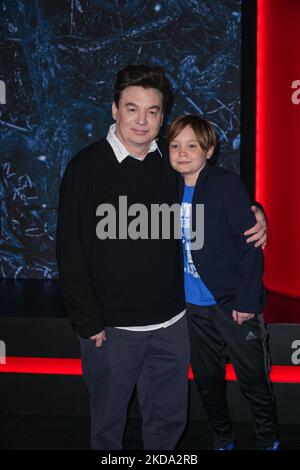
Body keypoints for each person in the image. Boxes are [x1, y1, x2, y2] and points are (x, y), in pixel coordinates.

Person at [56, 65, 267, 450]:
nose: (142, 120)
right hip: (112, 329)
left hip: (172, 324)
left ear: (161, 116)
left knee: (168, 426)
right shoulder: (86, 168)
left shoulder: (171, 164)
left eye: (152, 111)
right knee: (107, 429)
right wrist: (87, 321)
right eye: (132, 108)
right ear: (114, 109)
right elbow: (69, 253)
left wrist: (255, 211)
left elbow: (214, 195)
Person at [168, 114, 280, 450]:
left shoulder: (225, 183)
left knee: (254, 379)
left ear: (210, 150)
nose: (183, 152)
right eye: (175, 145)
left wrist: (246, 301)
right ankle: (223, 437)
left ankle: (268, 439)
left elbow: (251, 244)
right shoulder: (164, 186)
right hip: (191, 307)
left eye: (192, 145)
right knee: (207, 381)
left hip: (232, 304)